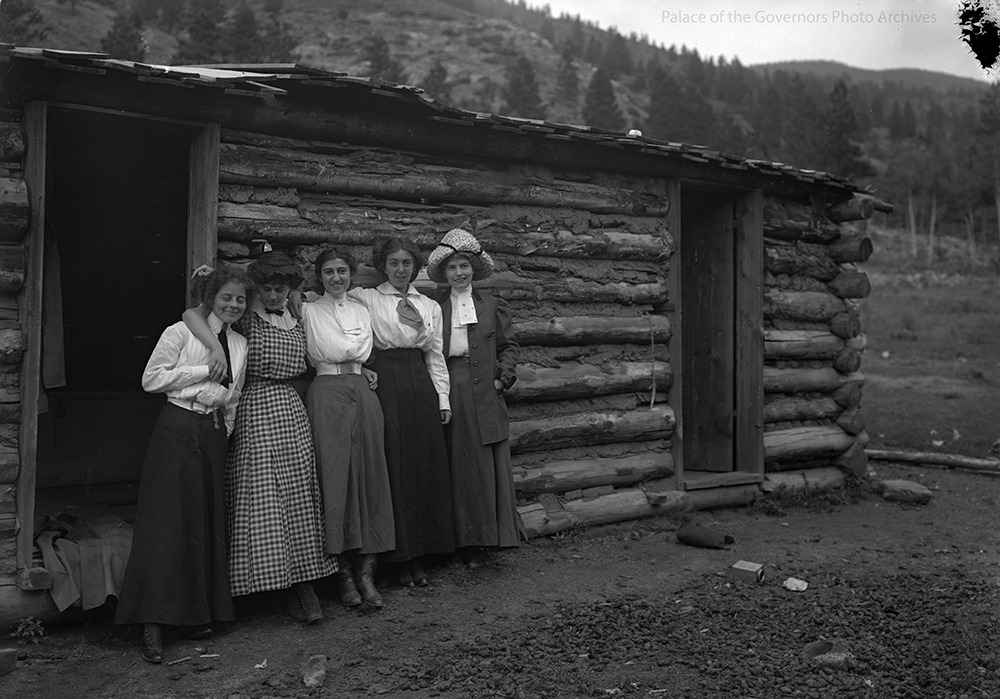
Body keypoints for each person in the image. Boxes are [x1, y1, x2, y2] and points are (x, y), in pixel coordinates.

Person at [181, 252, 336, 624]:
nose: (272, 295)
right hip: (254, 407)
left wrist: (299, 298)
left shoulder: (299, 314)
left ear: (290, 289)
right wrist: (216, 343)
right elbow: (193, 315)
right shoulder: (247, 317)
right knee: (260, 492)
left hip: (291, 411)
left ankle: (302, 581)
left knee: (299, 492)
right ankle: (265, 582)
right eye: (265, 288)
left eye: (279, 289)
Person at [114, 267, 250, 664]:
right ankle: (152, 622)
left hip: (212, 431)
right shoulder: (180, 332)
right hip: (176, 426)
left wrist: (224, 432)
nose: (233, 305)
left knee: (201, 520)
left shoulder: (239, 343)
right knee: (165, 520)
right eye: (226, 297)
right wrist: (204, 369)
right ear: (211, 297)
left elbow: (234, 395)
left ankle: (196, 615)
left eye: (240, 299)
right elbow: (151, 379)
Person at [350, 236, 455, 587]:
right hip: (387, 383)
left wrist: (442, 398)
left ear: (416, 266)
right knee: (394, 464)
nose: (400, 269)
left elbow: (435, 356)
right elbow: (328, 309)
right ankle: (399, 558)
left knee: (424, 463)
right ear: (382, 266)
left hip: (420, 383)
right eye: (393, 263)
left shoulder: (429, 306)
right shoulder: (365, 299)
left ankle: (423, 554)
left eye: (406, 263)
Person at [300, 247, 395, 608]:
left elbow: (364, 352)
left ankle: (367, 573)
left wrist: (365, 369)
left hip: (363, 390)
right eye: (329, 272)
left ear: (351, 274)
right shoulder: (308, 310)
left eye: (342, 271)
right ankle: (340, 574)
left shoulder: (361, 308)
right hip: (326, 393)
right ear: (319, 277)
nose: (336, 278)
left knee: (370, 473)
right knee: (334, 474)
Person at [427, 229, 524, 567]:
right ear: (444, 273)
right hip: (452, 385)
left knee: (487, 462)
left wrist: (502, 380)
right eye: (452, 268)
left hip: (487, 389)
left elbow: (509, 346)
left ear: (473, 269)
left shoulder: (492, 305)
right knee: (461, 461)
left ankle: (493, 536)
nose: (459, 273)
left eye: (464, 266)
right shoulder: (435, 307)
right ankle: (464, 540)